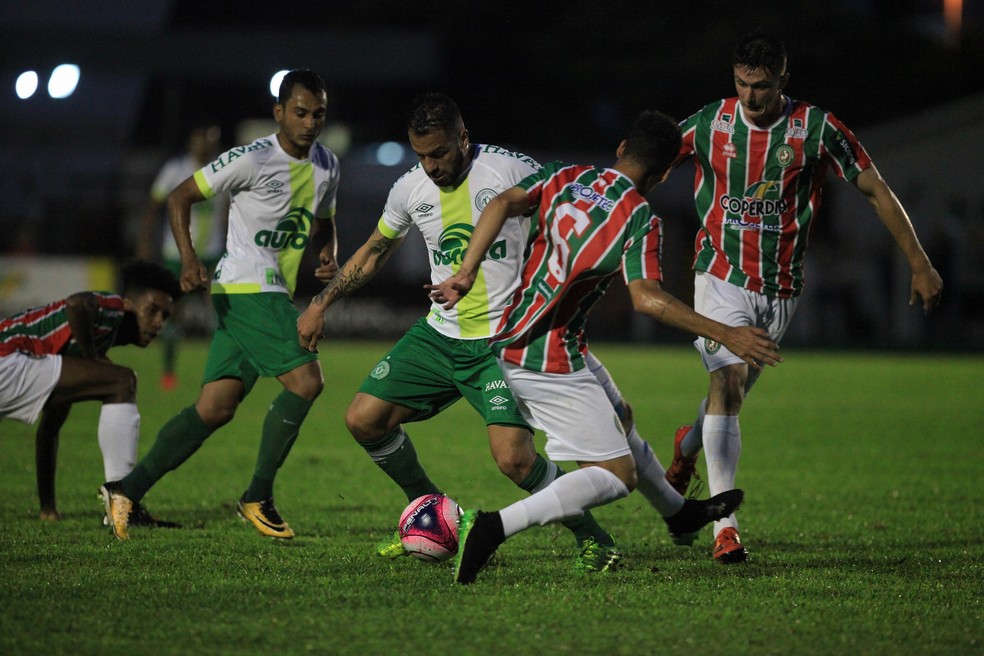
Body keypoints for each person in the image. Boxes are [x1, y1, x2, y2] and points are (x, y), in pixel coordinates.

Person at [297, 93, 732, 572]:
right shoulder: (409, 187)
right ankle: (433, 516)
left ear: (463, 137)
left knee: (516, 462)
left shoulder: (511, 170)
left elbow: (568, 229)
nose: (431, 166)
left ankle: (594, 537)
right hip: (439, 335)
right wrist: (321, 303)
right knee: (363, 419)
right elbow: (376, 249)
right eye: (421, 155)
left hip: (504, 340)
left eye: (439, 153)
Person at [428, 109, 782, 584]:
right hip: (544, 357)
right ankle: (492, 527)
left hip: (526, 333)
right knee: (617, 475)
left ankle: (679, 513)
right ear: (664, 173)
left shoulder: (567, 176)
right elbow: (647, 298)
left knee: (621, 416)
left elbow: (501, 203)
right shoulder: (639, 218)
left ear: (621, 149)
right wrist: (728, 332)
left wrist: (466, 271)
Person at [663, 31, 944, 564]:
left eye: (762, 86)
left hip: (781, 289)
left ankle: (685, 447)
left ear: (783, 81)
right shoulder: (710, 122)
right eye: (742, 84)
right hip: (718, 275)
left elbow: (874, 187)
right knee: (727, 381)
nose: (750, 97)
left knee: (732, 395)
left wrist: (919, 261)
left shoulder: (816, 128)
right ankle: (725, 526)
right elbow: (654, 156)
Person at [100, 69, 341, 541]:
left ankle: (125, 491)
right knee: (307, 381)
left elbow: (324, 222)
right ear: (279, 113)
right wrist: (189, 258)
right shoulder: (251, 158)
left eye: (318, 114)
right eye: (300, 112)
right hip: (249, 288)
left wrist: (328, 251)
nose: (310, 122)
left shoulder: (328, 164)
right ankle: (258, 496)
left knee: (215, 407)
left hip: (268, 292)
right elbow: (179, 196)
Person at [0, 260, 181, 525]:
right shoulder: (114, 309)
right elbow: (78, 303)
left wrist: (48, 508)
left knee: (65, 412)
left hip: (12, 363)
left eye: (164, 316)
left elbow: (49, 430)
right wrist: (92, 357)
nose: (158, 323)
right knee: (122, 381)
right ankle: (123, 502)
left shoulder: (77, 347)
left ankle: (57, 509)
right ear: (129, 304)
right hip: (7, 359)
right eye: (152, 310)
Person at [137, 124, 229, 391]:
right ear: (192, 141)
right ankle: (168, 372)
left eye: (210, 140)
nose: (205, 145)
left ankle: (220, 373)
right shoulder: (175, 170)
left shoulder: (225, 169)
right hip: (178, 255)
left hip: (213, 254)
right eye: (201, 139)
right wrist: (145, 240)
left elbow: (228, 211)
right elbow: (154, 207)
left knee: (220, 311)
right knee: (173, 314)